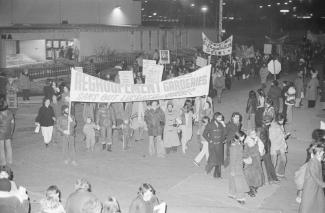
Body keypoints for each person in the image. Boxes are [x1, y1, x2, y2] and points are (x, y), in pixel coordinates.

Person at [298, 143, 325, 213]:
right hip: (310, 187)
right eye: (322, 154)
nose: (323, 155)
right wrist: (322, 184)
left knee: (317, 202)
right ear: (318, 154)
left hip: (316, 186)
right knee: (308, 203)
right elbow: (314, 176)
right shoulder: (312, 162)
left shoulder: (317, 160)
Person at [228, 131, 250, 205]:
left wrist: (244, 158)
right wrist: (233, 170)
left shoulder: (239, 144)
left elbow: (240, 155)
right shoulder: (234, 146)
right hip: (236, 167)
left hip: (239, 165)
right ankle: (240, 197)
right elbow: (233, 159)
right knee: (239, 182)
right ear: (239, 137)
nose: (244, 137)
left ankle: (232, 193)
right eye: (243, 136)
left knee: (234, 180)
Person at [203, 112, 226, 178]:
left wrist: (224, 126)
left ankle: (217, 175)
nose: (220, 118)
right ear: (215, 117)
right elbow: (204, 134)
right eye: (219, 117)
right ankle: (207, 170)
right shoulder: (210, 125)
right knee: (212, 159)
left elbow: (225, 134)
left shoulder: (222, 125)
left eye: (221, 117)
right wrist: (209, 140)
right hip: (212, 145)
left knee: (219, 160)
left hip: (220, 145)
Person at [243, 130, 264, 197]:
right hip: (251, 161)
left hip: (256, 161)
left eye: (254, 133)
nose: (253, 134)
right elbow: (245, 152)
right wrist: (245, 158)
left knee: (255, 175)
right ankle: (252, 190)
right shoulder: (248, 142)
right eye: (252, 133)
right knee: (250, 175)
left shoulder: (257, 140)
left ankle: (253, 189)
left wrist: (260, 155)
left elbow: (261, 149)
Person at [269, 114, 289, 178]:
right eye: (281, 120)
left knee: (284, 159)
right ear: (277, 120)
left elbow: (282, 133)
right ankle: (271, 176)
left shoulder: (280, 124)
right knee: (273, 162)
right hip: (275, 147)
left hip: (281, 145)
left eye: (283, 120)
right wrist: (283, 137)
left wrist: (284, 136)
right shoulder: (272, 128)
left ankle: (280, 173)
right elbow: (272, 139)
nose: (282, 122)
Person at [0, 96, 14, 165]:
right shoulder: (10, 113)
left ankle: (3, 162)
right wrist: (11, 132)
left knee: (1, 148)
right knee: (9, 147)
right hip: (8, 132)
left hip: (1, 134)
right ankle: (10, 160)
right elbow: (12, 124)